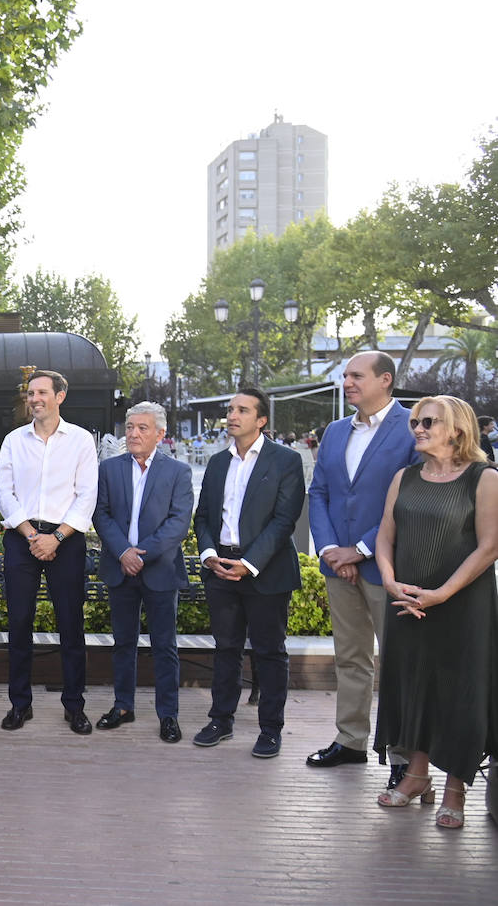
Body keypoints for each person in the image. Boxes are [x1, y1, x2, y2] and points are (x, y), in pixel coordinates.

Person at [373, 396, 498, 829]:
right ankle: (416, 776)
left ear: (458, 430)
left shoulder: (484, 479)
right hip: (407, 603)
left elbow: (490, 547)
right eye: (415, 422)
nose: (418, 428)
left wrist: (443, 593)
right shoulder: (404, 477)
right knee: (414, 688)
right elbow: (385, 535)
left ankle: (455, 788)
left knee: (459, 693)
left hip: (462, 607)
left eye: (429, 421)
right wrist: (389, 581)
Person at [305, 352, 418, 780]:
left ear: (385, 380)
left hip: (388, 568)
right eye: (345, 375)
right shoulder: (335, 431)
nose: (347, 382)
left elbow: (411, 497)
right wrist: (332, 548)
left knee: (397, 662)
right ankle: (350, 741)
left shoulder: (412, 428)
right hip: (340, 567)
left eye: (356, 375)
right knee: (350, 659)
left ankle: (404, 757)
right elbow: (319, 492)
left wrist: (363, 549)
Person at [192, 387, 305, 759]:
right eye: (230, 409)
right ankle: (220, 720)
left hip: (265, 572)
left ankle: (270, 730)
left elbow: (284, 520)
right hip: (220, 567)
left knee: (270, 652)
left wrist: (249, 564)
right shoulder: (217, 462)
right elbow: (204, 516)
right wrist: (209, 554)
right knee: (225, 649)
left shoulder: (285, 461)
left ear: (261, 420)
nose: (232, 415)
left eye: (242, 410)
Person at [0, 369, 98, 734]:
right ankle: (20, 705)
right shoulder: (13, 441)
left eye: (41, 392)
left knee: (71, 626)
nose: (34, 398)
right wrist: (30, 534)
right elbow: (4, 494)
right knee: (19, 624)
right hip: (21, 540)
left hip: (66, 542)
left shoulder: (82, 441)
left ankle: (75, 706)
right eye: (30, 392)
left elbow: (87, 495)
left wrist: (56, 537)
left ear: (60, 396)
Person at [92, 402, 193, 743]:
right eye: (130, 427)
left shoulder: (178, 472)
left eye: (142, 428)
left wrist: (140, 555)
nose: (133, 433)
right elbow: (101, 515)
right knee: (123, 643)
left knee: (164, 646)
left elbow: (178, 523)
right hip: (120, 570)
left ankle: (168, 715)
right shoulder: (108, 469)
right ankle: (123, 706)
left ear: (161, 434)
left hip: (159, 571)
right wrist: (123, 552)